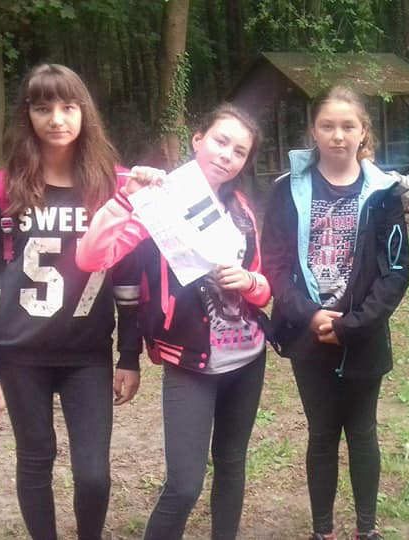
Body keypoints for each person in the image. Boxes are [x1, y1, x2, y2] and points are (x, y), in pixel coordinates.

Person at [76, 103, 270, 540]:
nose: (227, 155)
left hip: (247, 356)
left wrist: (251, 282)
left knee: (232, 464)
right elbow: (92, 257)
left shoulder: (241, 206)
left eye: (239, 151)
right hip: (189, 360)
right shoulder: (158, 200)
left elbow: (262, 286)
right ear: (198, 139)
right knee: (184, 486)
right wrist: (126, 198)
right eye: (220, 141)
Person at [0, 63, 142, 540]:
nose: (57, 119)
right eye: (43, 108)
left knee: (93, 474)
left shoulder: (112, 187)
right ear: (27, 115)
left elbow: (128, 279)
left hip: (87, 354)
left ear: (85, 113)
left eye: (68, 107)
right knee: (35, 460)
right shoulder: (3, 188)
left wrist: (129, 355)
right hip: (20, 353)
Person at [260, 86, 409, 540]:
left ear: (364, 132)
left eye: (348, 126)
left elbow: (396, 272)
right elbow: (275, 264)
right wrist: (309, 315)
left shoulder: (384, 193)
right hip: (308, 334)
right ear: (313, 130)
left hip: (363, 335)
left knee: (363, 433)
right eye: (328, 125)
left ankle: (367, 531)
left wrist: (353, 325)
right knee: (322, 433)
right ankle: (322, 531)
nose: (338, 135)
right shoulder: (286, 190)